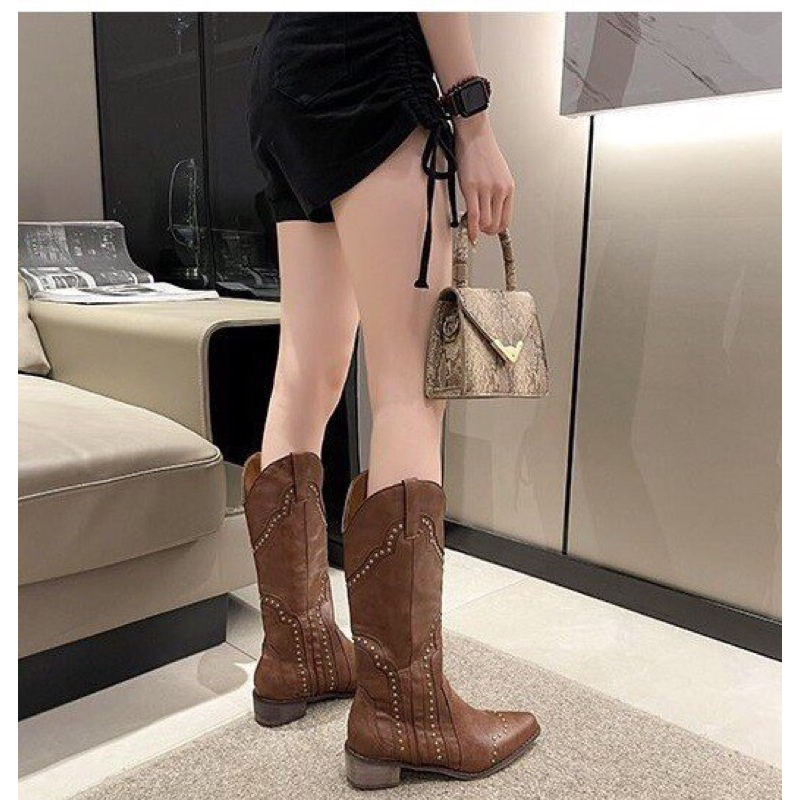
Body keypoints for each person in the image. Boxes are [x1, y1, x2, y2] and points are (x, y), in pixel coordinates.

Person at [242, 12, 539, 789]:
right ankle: (406, 712)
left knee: (305, 369)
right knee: (410, 383)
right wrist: (474, 121)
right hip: (370, 62)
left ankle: (298, 656)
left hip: (286, 68)